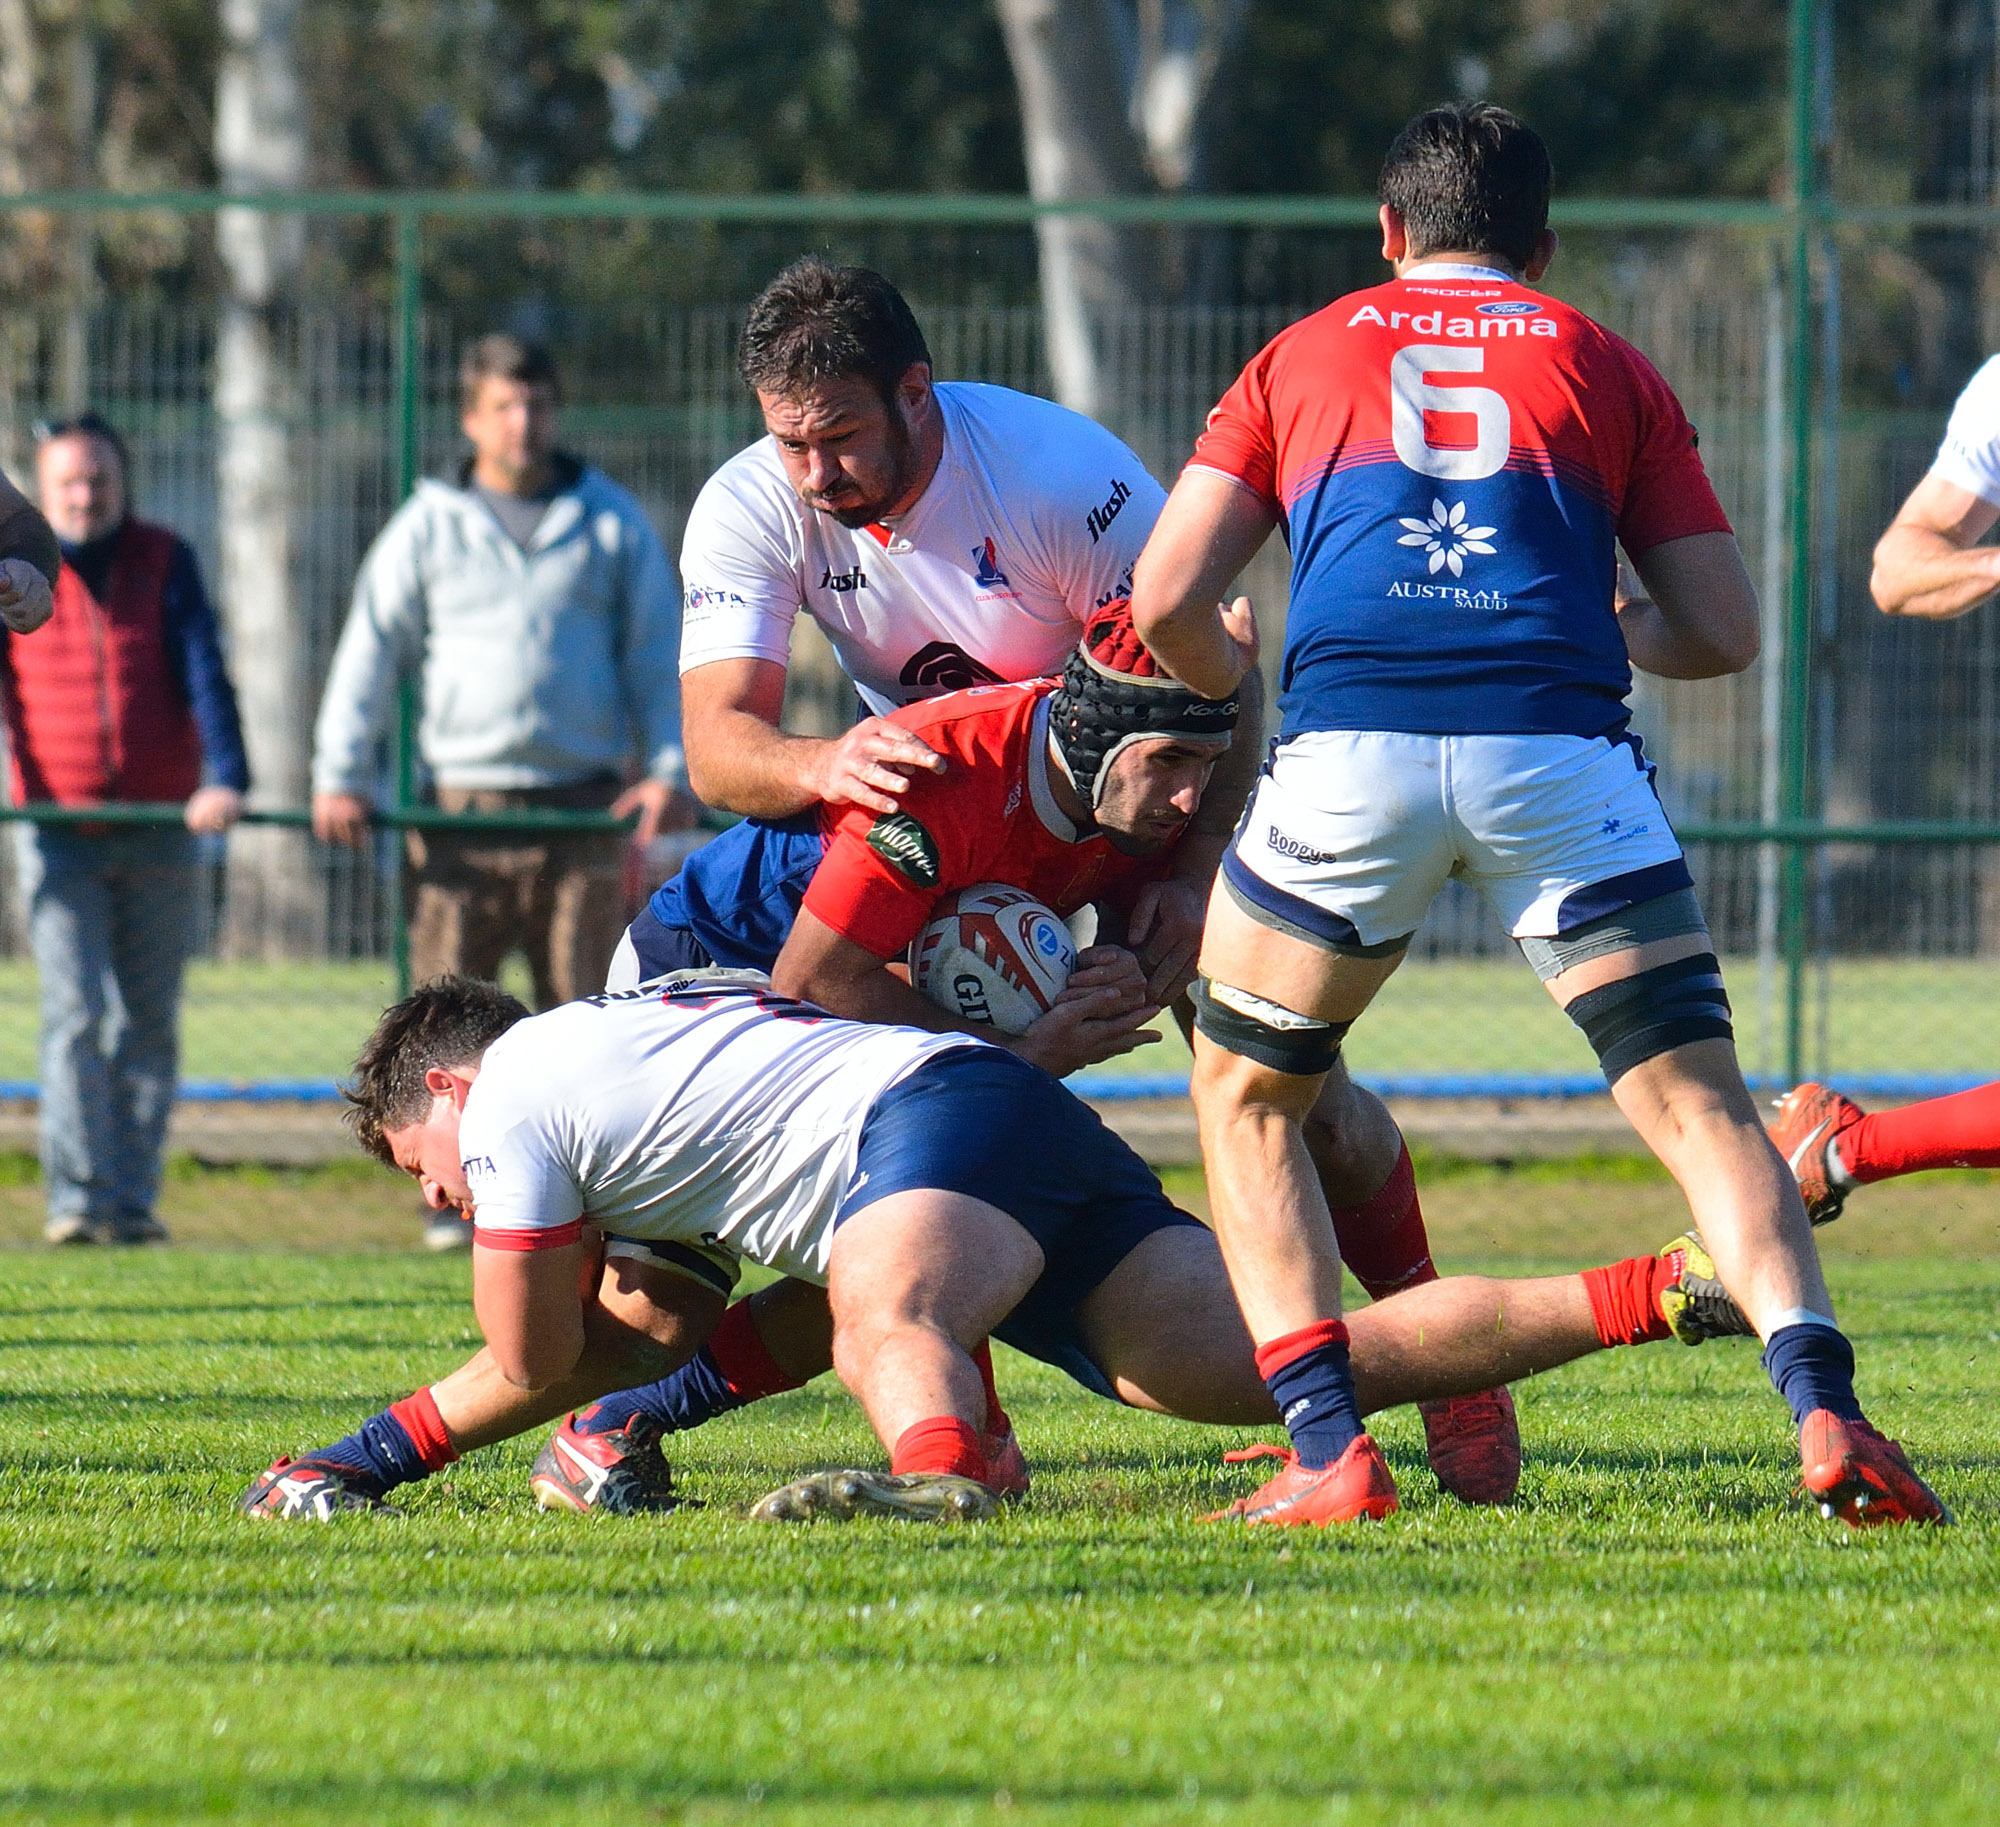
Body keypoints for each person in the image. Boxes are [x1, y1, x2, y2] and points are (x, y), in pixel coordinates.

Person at [1129, 102, 1946, 1527]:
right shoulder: (1605, 362)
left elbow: (1164, 603)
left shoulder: (1302, 352)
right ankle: (1830, 1413)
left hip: (1348, 760)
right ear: (1545, 249)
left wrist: (1226, 670)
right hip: (1559, 758)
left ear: (1389, 235)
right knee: (1701, 1110)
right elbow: (1723, 629)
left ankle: (1331, 1451)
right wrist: (1596, 616)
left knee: (1249, 1089)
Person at [676, 257, 1456, 1468]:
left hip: (1130, 821)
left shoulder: (1055, 477)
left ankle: (1440, 1351)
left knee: (1287, 1095)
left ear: (917, 394)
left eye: (838, 437)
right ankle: (965, 1423)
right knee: (925, 1097)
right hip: (958, 840)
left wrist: (1192, 871)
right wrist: (823, 764)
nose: (815, 472)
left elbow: (1221, 663)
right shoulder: (751, 505)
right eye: (790, 444)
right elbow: (720, 751)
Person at [237, 973, 1910, 1534]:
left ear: (446, 1084)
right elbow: (647, 1347)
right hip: (984, 1125)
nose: (445, 1198)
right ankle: (1681, 1284)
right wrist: (629, 1413)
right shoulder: (620, 1058)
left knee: (888, 1299)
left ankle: (945, 1466)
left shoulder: (520, 1091)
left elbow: (534, 1357)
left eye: (422, 1166)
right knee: (1276, 1365)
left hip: (929, 1138)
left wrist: (361, 1457)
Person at [587, 601, 1516, 1504]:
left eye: (1207, 762)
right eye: (1169, 765)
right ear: (1099, 746)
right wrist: (1022, 1052)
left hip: (873, 977)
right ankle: (612, 1418)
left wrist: (1193, 875)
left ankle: (1447, 1371)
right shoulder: (940, 780)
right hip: (718, 977)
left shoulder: (1146, 791)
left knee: (1299, 1092)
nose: (1193, 796)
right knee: (662, 1311)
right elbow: (815, 982)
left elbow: (1239, 699)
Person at [311, 334, 692, 1248]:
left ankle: (587, 1198)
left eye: (539, 405)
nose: (524, 424)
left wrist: (673, 769)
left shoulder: (607, 519)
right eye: (504, 406)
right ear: (472, 417)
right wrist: (339, 771)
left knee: (586, 1012)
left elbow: (655, 654)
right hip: (460, 813)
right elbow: (371, 649)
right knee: (446, 1014)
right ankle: (449, 1195)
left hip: (584, 806)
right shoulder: (428, 523)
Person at [0, 415, 248, 1246]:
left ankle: (133, 1197)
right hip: (57, 827)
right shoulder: (19, 573)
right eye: (67, 479)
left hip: (158, 824)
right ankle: (76, 1196)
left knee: (149, 1018)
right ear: (43, 487)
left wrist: (225, 776)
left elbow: (205, 666)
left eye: (98, 477)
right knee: (71, 1017)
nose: (84, 492)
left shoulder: (165, 558)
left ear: (122, 481)